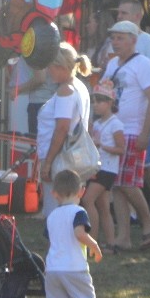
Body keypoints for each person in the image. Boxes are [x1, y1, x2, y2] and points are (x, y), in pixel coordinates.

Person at [100, 21, 150, 251]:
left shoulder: (143, 64)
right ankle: (123, 237)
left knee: (127, 183)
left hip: (133, 131)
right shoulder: (113, 63)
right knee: (117, 185)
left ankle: (148, 221)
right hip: (114, 129)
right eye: (113, 38)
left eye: (121, 38)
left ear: (134, 40)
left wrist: (146, 132)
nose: (115, 42)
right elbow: (105, 92)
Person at [116, 0, 150, 217]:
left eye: (124, 13)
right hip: (120, 119)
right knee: (121, 172)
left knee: (148, 161)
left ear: (138, 16)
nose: (119, 17)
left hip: (143, 115)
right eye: (118, 13)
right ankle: (132, 215)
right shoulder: (115, 42)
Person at [43, 169, 102, 298]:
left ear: (54, 194)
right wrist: (95, 246)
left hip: (52, 269)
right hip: (74, 267)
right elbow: (79, 233)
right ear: (81, 191)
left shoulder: (51, 216)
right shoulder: (79, 212)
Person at [37, 42, 93, 217]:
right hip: (73, 154)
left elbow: (62, 128)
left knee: (55, 210)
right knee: (69, 207)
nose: (48, 71)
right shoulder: (79, 87)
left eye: (50, 67)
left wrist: (47, 162)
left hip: (60, 157)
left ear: (60, 66)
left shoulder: (65, 90)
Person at [81, 79, 125, 250]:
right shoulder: (97, 123)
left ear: (110, 103)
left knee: (87, 199)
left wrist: (102, 145)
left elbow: (121, 149)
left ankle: (92, 241)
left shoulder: (116, 124)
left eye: (100, 101)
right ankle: (111, 243)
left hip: (107, 169)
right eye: (94, 101)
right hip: (97, 167)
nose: (96, 105)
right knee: (103, 206)